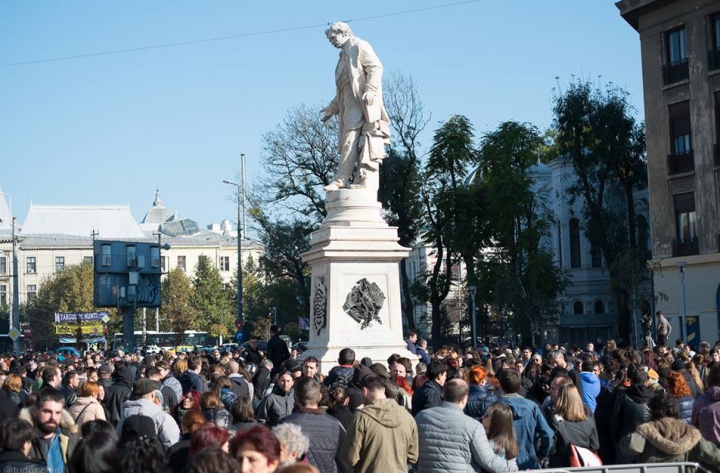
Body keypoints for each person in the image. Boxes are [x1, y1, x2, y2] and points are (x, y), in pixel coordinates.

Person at [320, 21, 391, 192]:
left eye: (333, 37)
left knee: (349, 140)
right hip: (348, 105)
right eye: (330, 39)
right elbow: (344, 88)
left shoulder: (358, 45)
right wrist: (331, 108)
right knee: (352, 142)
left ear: (343, 32)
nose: (332, 41)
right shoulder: (343, 56)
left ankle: (340, 180)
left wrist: (371, 90)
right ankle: (358, 178)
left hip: (361, 104)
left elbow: (375, 66)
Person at [415, 378, 517, 472]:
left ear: (444, 394)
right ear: (464, 399)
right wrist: (512, 466)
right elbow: (488, 461)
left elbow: (413, 452)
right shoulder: (473, 426)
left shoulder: (421, 417)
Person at [620, 391, 720, 469]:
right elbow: (714, 455)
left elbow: (630, 445)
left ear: (652, 410)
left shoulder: (647, 430)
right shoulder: (689, 433)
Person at [341, 375, 418, 473]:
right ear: (384, 390)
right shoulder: (407, 417)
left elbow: (350, 458)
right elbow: (413, 457)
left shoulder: (361, 418)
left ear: (364, 391)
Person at [280, 377, 346, 473]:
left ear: (296, 398)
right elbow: (343, 460)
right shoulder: (335, 424)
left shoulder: (285, 424)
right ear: (319, 397)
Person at [495, 369, 554, 470]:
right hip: (528, 462)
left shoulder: (494, 408)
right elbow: (548, 435)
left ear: (501, 386)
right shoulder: (532, 407)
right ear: (519, 387)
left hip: (502, 464)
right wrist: (541, 455)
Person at [23, 388, 78, 472]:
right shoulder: (23, 441)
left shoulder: (70, 439)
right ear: (35, 411)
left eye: (58, 413)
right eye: (47, 411)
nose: (53, 417)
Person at [116, 378, 180, 449]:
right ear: (153, 395)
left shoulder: (124, 415)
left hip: (128, 458)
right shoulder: (162, 417)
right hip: (153, 458)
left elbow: (118, 440)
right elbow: (172, 445)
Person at [547, 383, 599, 468]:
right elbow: (595, 445)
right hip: (583, 465)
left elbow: (551, 447)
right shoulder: (589, 420)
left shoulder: (555, 421)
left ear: (560, 399)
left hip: (561, 466)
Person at [611, 368, 653, 464]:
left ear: (631, 381)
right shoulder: (653, 398)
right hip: (646, 441)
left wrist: (615, 439)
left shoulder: (623, 395)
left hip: (626, 440)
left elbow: (615, 419)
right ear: (646, 383)